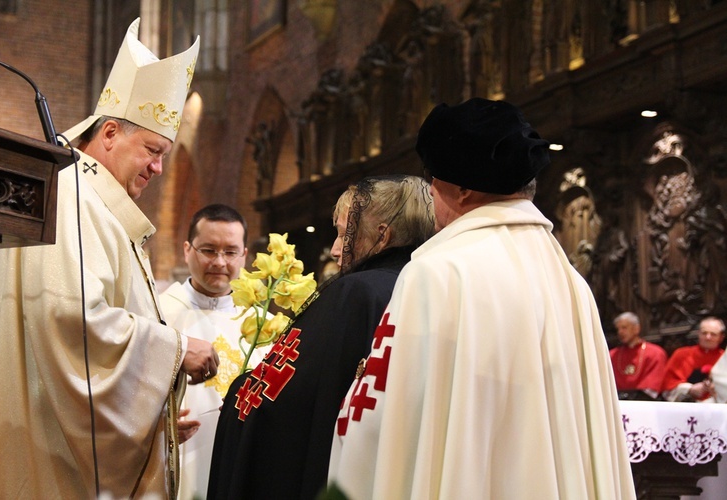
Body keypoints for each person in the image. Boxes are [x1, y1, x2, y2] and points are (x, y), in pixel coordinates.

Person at [328, 98, 636, 499]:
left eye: (432, 185)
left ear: (463, 189)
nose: (431, 200)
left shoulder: (438, 272)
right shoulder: (570, 281)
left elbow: (382, 417)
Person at [0, 19, 220, 499]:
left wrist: (151, 421)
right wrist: (176, 350)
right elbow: (72, 322)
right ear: (109, 132)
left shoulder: (92, 200)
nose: (159, 167)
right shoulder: (72, 196)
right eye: (152, 150)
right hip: (55, 464)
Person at [207, 175, 435, 499]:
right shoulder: (426, 288)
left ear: (382, 236)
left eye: (344, 233)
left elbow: (280, 402)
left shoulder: (356, 293)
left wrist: (237, 394)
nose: (338, 250)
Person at [160, 204, 269, 500]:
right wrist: (157, 427)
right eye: (209, 250)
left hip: (242, 463)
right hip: (177, 457)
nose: (220, 262)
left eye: (231, 252)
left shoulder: (264, 327)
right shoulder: (157, 314)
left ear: (244, 255)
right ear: (187, 250)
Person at [661, 316, 726, 402]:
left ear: (721, 337)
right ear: (698, 333)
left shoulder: (725, 358)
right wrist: (689, 389)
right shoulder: (681, 354)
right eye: (704, 333)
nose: (708, 337)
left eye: (713, 334)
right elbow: (666, 386)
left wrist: (718, 389)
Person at [609, 311, 667, 400]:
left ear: (636, 328)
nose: (620, 332)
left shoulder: (655, 353)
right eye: (618, 329)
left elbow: (651, 388)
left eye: (624, 328)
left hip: (645, 405)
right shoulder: (612, 355)